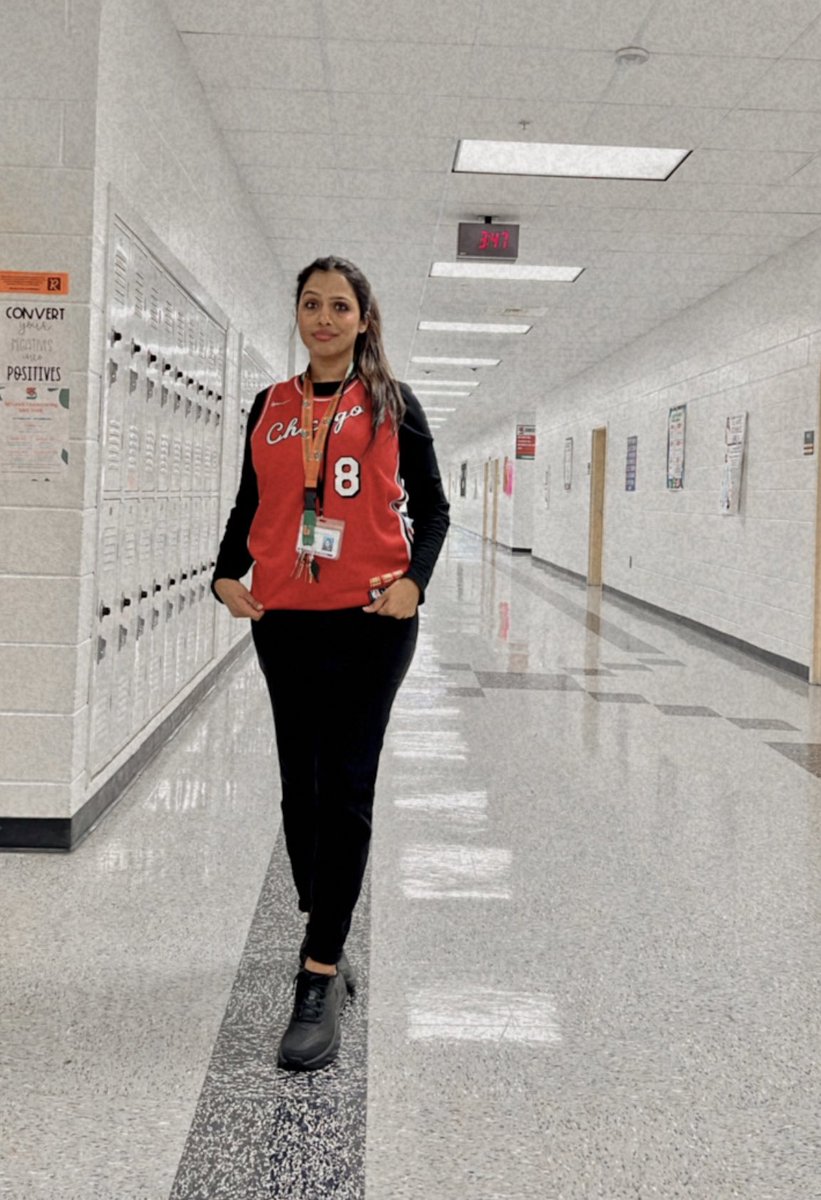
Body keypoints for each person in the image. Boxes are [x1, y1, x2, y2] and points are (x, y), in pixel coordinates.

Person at [212, 256, 450, 1071]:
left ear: (363, 319)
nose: (323, 318)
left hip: (369, 623)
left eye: (339, 306)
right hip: (285, 623)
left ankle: (317, 973)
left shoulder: (391, 403)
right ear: (299, 315)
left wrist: (414, 583)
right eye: (310, 305)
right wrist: (223, 572)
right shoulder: (271, 406)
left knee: (344, 786)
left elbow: (433, 505)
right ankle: (328, 921)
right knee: (299, 790)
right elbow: (253, 503)